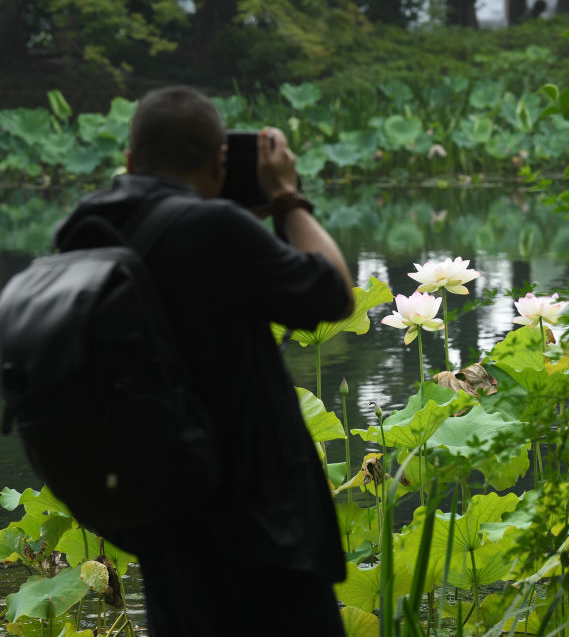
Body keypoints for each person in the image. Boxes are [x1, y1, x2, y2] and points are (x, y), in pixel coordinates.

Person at [54, 86, 354, 635]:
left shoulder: (83, 234)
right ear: (220, 162)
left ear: (130, 162)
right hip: (261, 534)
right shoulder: (217, 231)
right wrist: (286, 198)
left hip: (164, 525)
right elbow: (333, 292)